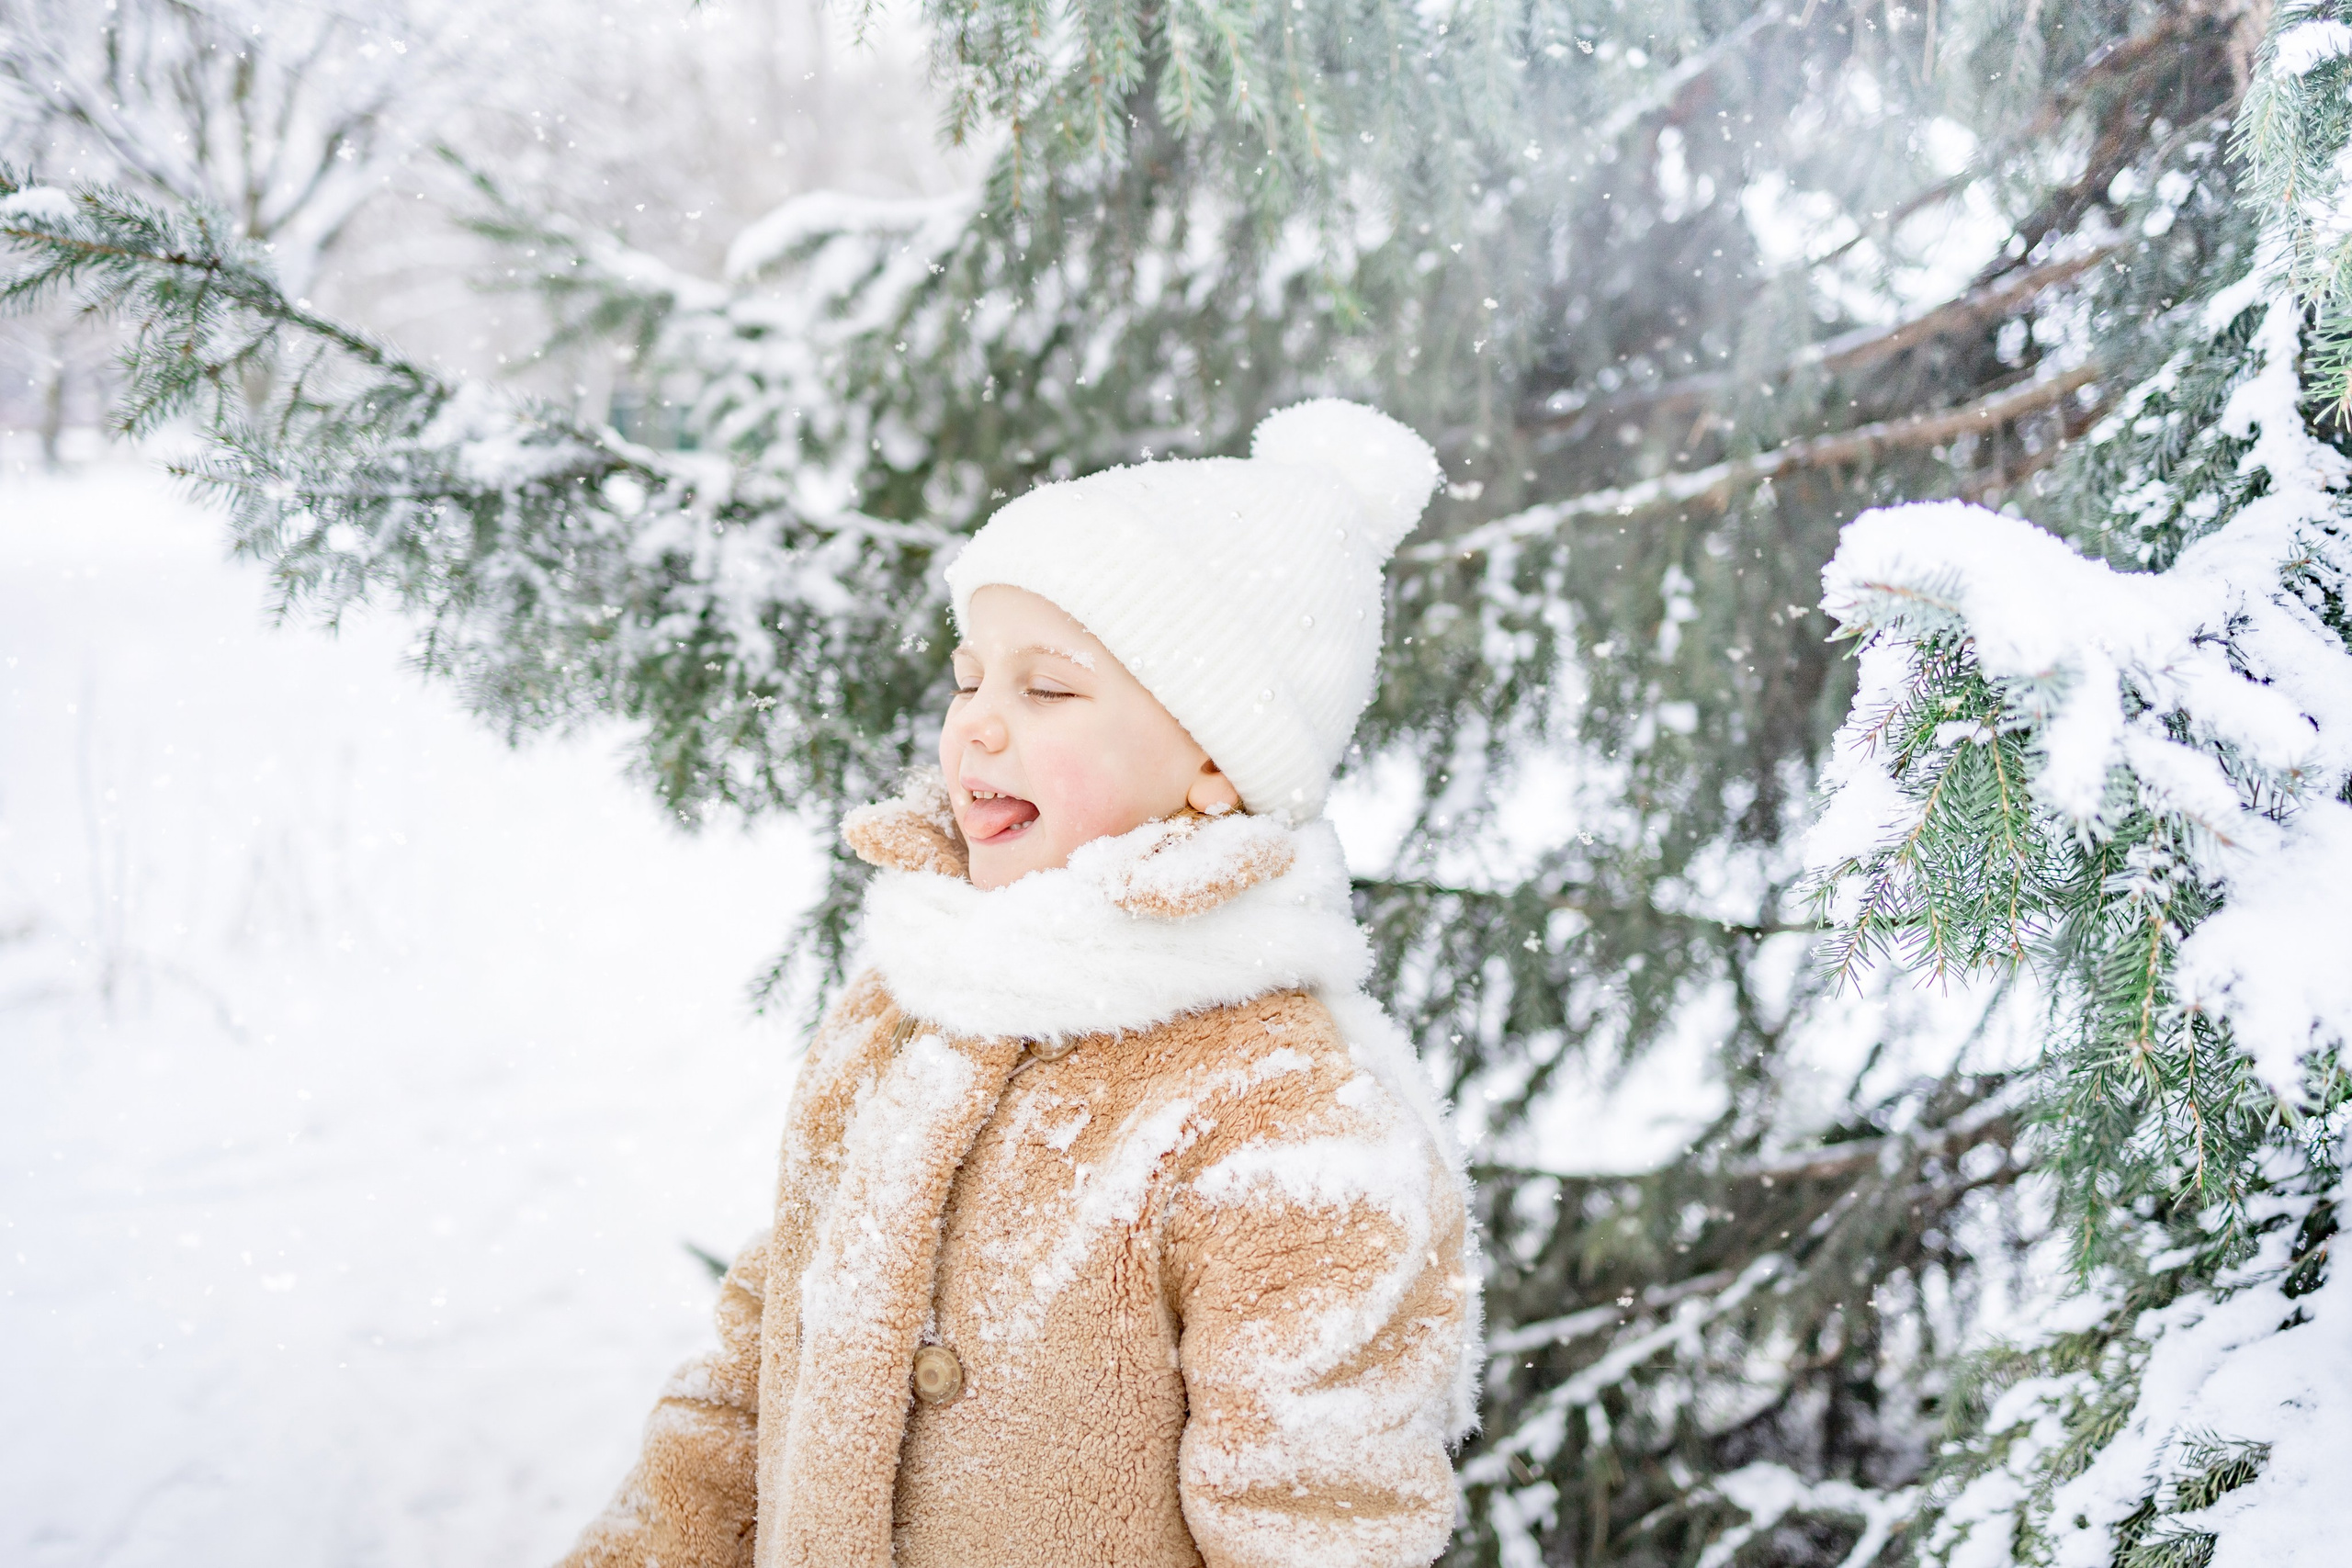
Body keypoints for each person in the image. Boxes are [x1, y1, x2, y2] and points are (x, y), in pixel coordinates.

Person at [560, 400, 1482, 1568]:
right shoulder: (902, 1013)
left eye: (1048, 690)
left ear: (1214, 763)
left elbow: (1318, 1533)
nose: (976, 727)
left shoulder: (1292, 1118)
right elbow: (760, 1370)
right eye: (968, 678)